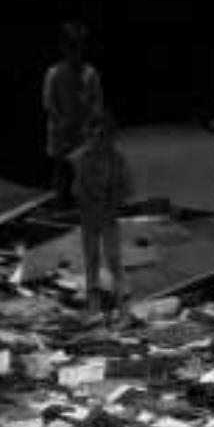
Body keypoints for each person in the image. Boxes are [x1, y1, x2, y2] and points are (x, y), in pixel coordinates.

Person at [42, 21, 106, 202]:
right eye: (71, 47)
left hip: (83, 135)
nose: (75, 52)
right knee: (62, 173)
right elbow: (48, 102)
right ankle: (60, 203)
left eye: (78, 47)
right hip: (61, 135)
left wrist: (91, 124)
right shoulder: (53, 73)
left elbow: (97, 102)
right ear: (63, 48)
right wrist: (61, 122)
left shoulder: (90, 73)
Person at [71, 115, 130, 313]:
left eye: (101, 135)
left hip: (108, 215)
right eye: (92, 135)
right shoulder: (83, 159)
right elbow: (78, 189)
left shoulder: (116, 159)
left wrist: (111, 208)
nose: (96, 139)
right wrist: (88, 206)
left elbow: (123, 188)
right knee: (92, 260)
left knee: (113, 259)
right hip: (90, 215)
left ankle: (122, 303)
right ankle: (93, 305)